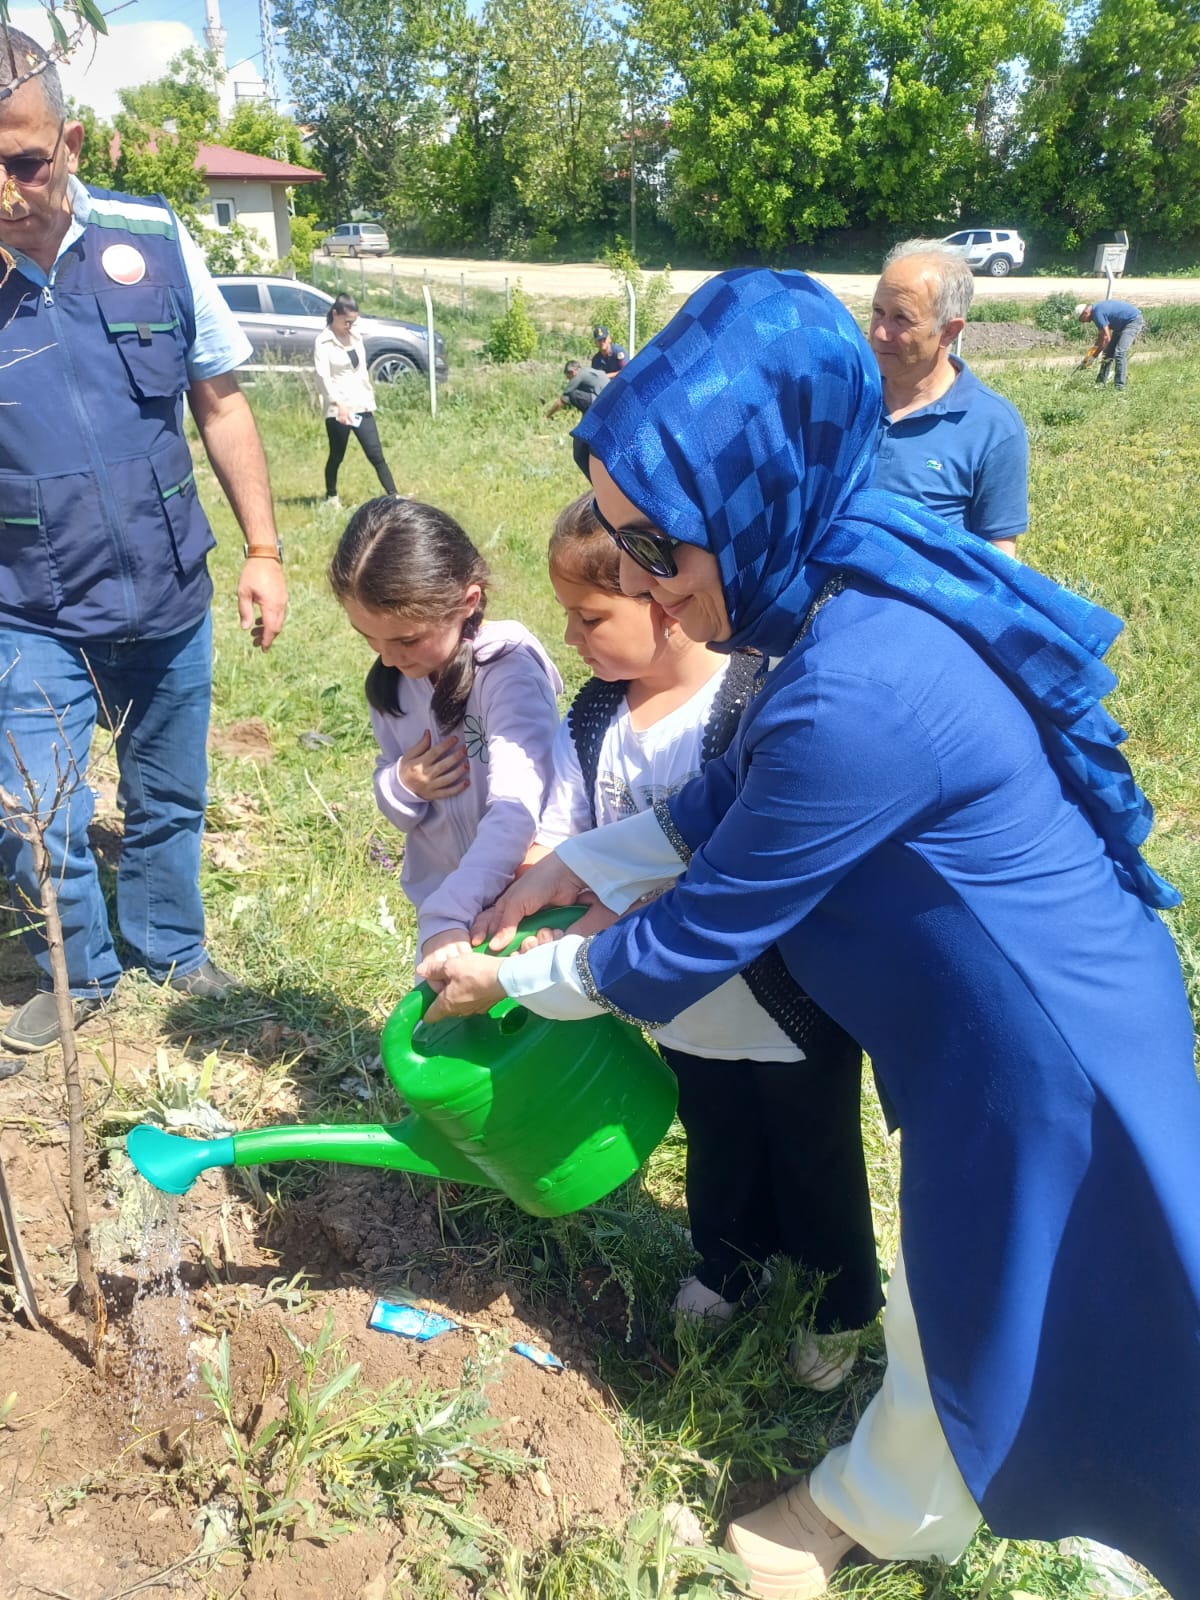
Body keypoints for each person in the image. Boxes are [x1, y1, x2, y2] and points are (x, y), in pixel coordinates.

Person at [418, 268, 1200, 1600]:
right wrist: (568, 869)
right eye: (631, 548)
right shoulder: (834, 584)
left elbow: (683, 944)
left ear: (759, 495)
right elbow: (731, 794)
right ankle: (941, 1495)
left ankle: (862, 1513)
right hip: (1001, 1026)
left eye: (665, 550)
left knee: (1020, 1299)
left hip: (1041, 1054)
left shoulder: (858, 685)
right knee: (995, 1292)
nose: (654, 598)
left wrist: (510, 972)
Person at [536, 493, 880, 1370]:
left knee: (814, 1153)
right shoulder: (593, 716)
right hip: (678, 997)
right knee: (716, 1130)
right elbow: (581, 829)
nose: (573, 640)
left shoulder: (752, 701)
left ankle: (837, 1305)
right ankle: (730, 1262)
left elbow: (754, 853)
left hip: (788, 999)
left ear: (668, 606)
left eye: (590, 618)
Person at [0, 32, 287, 1055]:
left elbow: (219, 399)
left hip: (168, 592)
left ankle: (171, 949)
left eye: (24, 162)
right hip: (29, 609)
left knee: (169, 799)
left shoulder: (155, 239)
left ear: (70, 142)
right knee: (36, 815)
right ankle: (75, 973)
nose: (6, 192)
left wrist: (263, 549)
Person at [328, 497, 562, 964]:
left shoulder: (505, 669)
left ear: (466, 601)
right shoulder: (395, 684)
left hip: (520, 904)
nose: (388, 657)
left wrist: (450, 912)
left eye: (405, 639)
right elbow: (393, 792)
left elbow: (519, 807)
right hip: (442, 900)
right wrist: (401, 783)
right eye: (368, 638)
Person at [870, 239, 1029, 558]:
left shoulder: (992, 426)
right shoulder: (847, 396)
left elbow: (997, 559)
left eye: (901, 319)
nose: (879, 333)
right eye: (877, 312)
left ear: (949, 332)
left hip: (918, 604)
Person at [313, 293, 397, 506]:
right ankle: (331, 497)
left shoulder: (356, 337)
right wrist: (338, 404)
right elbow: (323, 377)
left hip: (361, 404)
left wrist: (369, 398)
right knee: (337, 455)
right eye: (346, 321)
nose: (349, 326)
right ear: (335, 314)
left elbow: (360, 372)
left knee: (375, 453)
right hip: (339, 410)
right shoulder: (323, 342)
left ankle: (394, 498)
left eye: (353, 322)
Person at [1075, 298, 1145, 391]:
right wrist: (1091, 355)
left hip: (1132, 321)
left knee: (1120, 353)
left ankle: (1120, 387)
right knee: (1107, 354)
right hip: (1121, 325)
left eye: (1082, 319)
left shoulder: (1097, 313)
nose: (1084, 322)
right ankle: (1100, 383)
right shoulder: (1096, 311)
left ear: (1085, 313)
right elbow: (1101, 337)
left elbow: (1107, 338)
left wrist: (1094, 356)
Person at [544, 359, 608, 419]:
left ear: (572, 372)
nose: (569, 380)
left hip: (599, 402)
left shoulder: (578, 376)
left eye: (569, 377)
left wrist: (546, 416)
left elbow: (562, 400)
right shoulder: (588, 371)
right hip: (609, 399)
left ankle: (587, 419)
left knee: (572, 394)